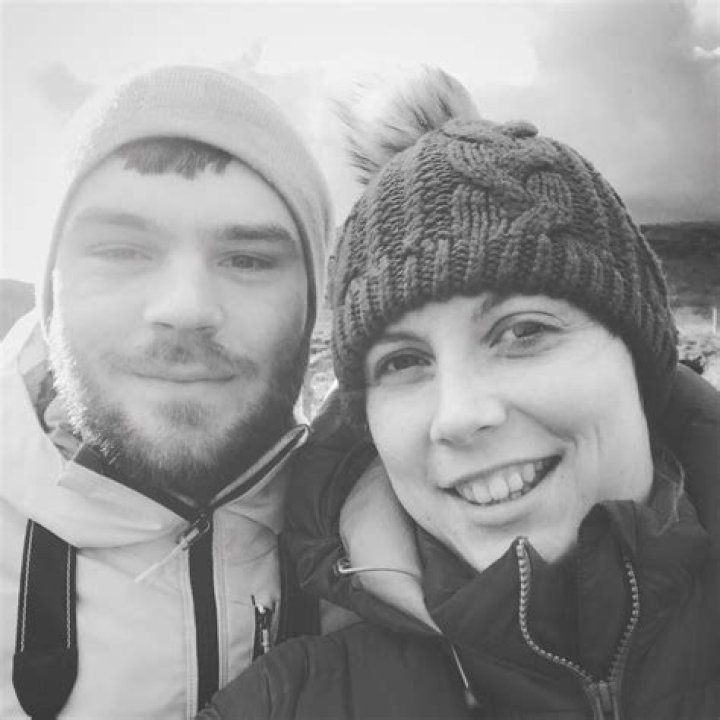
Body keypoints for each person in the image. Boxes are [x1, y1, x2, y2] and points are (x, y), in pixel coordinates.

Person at [199, 69, 720, 719]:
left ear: (641, 359)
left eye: (524, 331)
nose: (460, 415)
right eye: (404, 361)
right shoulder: (292, 700)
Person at [0, 64, 334, 718]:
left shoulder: (388, 550)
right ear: (51, 291)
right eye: (122, 250)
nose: (186, 308)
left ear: (312, 305)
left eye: (248, 259)